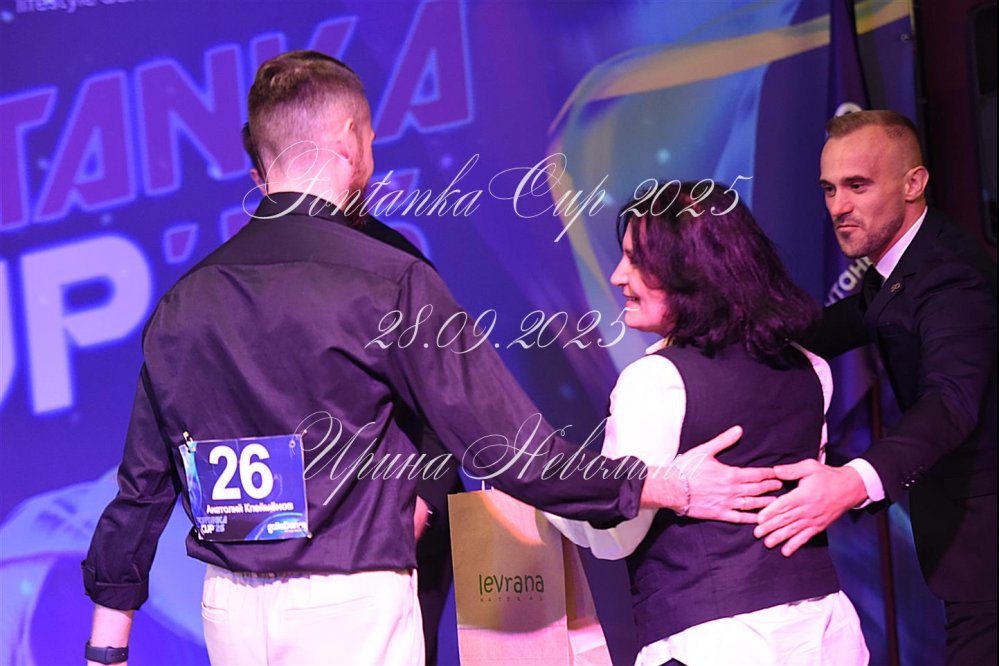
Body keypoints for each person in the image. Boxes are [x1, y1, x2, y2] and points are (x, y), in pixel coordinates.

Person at [82, 51, 781, 666]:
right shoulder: (389, 279)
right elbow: (511, 451)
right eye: (369, 140)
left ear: (262, 156)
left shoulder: (184, 300)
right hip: (348, 604)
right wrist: (661, 485)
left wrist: (106, 645)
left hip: (228, 609)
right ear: (351, 140)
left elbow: (143, 484)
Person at [547, 181, 869, 665]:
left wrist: (546, 493)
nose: (617, 276)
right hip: (824, 631)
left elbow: (615, 532)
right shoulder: (811, 368)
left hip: (714, 643)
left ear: (690, 270)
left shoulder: (655, 380)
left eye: (636, 261)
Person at [755, 110, 997, 663]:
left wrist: (852, 481)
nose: (838, 206)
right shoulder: (903, 264)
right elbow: (851, 320)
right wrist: (736, 339)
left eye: (857, 186)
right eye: (829, 189)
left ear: (913, 183)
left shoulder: (949, 276)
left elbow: (952, 402)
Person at [243, 120, 462, 665]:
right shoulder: (243, 277)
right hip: (296, 545)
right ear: (257, 179)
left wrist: (417, 506)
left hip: (400, 524)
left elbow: (446, 398)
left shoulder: (393, 265)